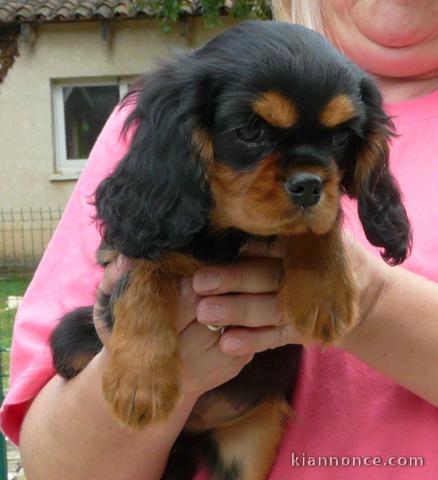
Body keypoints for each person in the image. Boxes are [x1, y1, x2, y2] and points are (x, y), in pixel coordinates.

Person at [2, 0, 438, 478]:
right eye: (252, 131)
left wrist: (365, 294)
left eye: (336, 142)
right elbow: (54, 463)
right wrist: (149, 337)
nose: (307, 179)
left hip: (252, 422)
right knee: (76, 334)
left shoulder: (356, 132)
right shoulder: (162, 130)